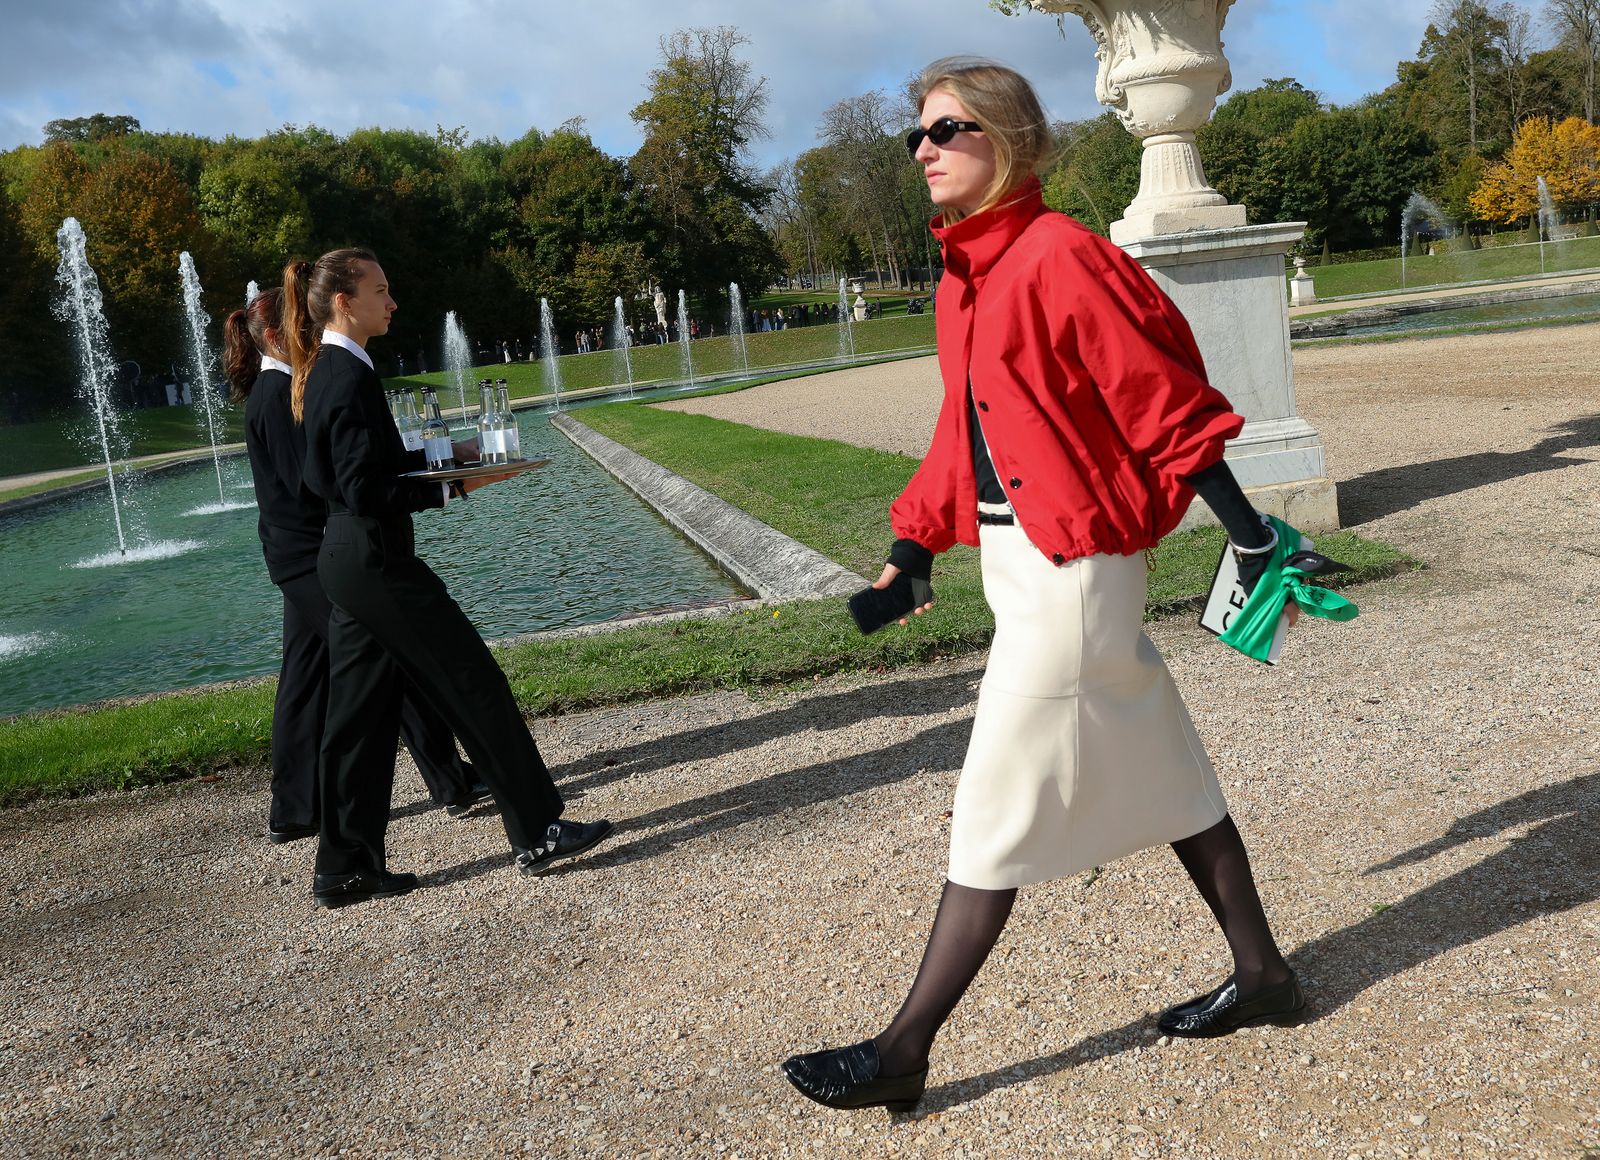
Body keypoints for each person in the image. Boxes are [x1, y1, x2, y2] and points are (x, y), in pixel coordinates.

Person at [781, 57, 1304, 1114]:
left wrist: (1251, 539)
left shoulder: (1059, 254)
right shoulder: (964, 276)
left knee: (993, 799)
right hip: (1019, 563)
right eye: (917, 133)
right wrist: (916, 547)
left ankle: (903, 1048)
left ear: (1008, 138)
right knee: (1170, 773)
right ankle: (1263, 973)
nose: (924, 149)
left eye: (947, 129)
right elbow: (962, 429)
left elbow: (1160, 398)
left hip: (1072, 572)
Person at [282, 249, 613, 908]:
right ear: (344, 301)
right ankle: (538, 831)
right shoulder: (344, 375)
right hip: (376, 563)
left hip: (347, 562)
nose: (392, 302)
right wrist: (459, 484)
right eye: (381, 290)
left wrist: (448, 455)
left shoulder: (330, 369)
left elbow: (359, 468)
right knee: (474, 684)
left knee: (356, 722)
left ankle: (345, 868)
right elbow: (362, 488)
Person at [222, 288, 489, 845]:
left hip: (298, 555)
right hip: (311, 557)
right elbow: (320, 483)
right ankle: (451, 782)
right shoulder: (275, 395)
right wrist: (428, 485)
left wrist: (435, 460)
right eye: (303, 328)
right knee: (392, 657)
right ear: (273, 337)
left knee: (304, 679)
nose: (314, 335)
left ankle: (295, 809)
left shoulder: (281, 390)